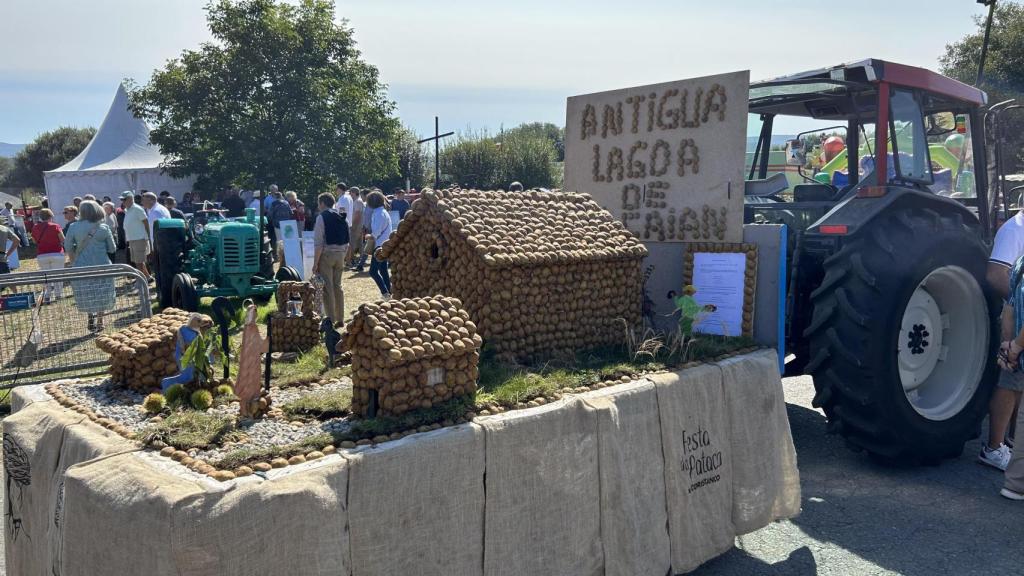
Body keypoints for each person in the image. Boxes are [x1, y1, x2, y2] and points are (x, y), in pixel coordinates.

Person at [985, 210, 1024, 470]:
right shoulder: (1014, 230)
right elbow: (996, 275)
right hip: (1015, 320)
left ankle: (1012, 440)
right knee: (1010, 381)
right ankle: (994, 447)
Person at [64, 200, 116, 332]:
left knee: (87, 291)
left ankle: (90, 315)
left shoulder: (73, 227)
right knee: (102, 292)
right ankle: (100, 321)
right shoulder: (103, 228)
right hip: (102, 265)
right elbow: (112, 249)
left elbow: (68, 246)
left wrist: (74, 258)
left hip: (82, 266)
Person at [311, 192, 349, 324]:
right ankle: (340, 318)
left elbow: (318, 243)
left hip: (327, 255)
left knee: (328, 288)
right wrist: (343, 255)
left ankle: (331, 319)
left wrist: (315, 263)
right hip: (340, 254)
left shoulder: (321, 217)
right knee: (338, 286)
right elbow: (347, 240)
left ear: (322, 203)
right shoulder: (342, 217)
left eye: (318, 203)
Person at [31, 208, 65, 302]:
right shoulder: (55, 226)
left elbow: (34, 241)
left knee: (46, 276)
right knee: (58, 275)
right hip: (57, 253)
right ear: (51, 216)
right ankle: (58, 295)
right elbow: (62, 239)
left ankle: (47, 295)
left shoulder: (35, 227)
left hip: (42, 254)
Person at [364, 190, 392, 297]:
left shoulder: (378, 214)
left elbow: (375, 233)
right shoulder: (383, 212)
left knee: (373, 272)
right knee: (383, 270)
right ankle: (389, 291)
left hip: (379, 247)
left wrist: (367, 236)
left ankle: (385, 293)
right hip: (384, 245)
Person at [120, 191, 151, 279]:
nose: (122, 201)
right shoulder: (128, 210)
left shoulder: (137, 209)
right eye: (122, 199)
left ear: (130, 199)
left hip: (139, 238)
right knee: (138, 261)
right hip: (132, 239)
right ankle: (148, 278)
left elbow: (146, 222)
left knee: (139, 262)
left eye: (124, 199)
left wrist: (147, 237)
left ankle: (140, 281)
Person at [345, 187, 364, 270]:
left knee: (352, 243)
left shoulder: (358, 201)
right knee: (360, 244)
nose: (350, 194)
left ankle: (352, 260)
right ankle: (360, 261)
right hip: (358, 226)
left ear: (354, 193)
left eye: (350, 193)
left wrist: (352, 225)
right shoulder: (357, 201)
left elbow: (357, 214)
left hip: (356, 226)